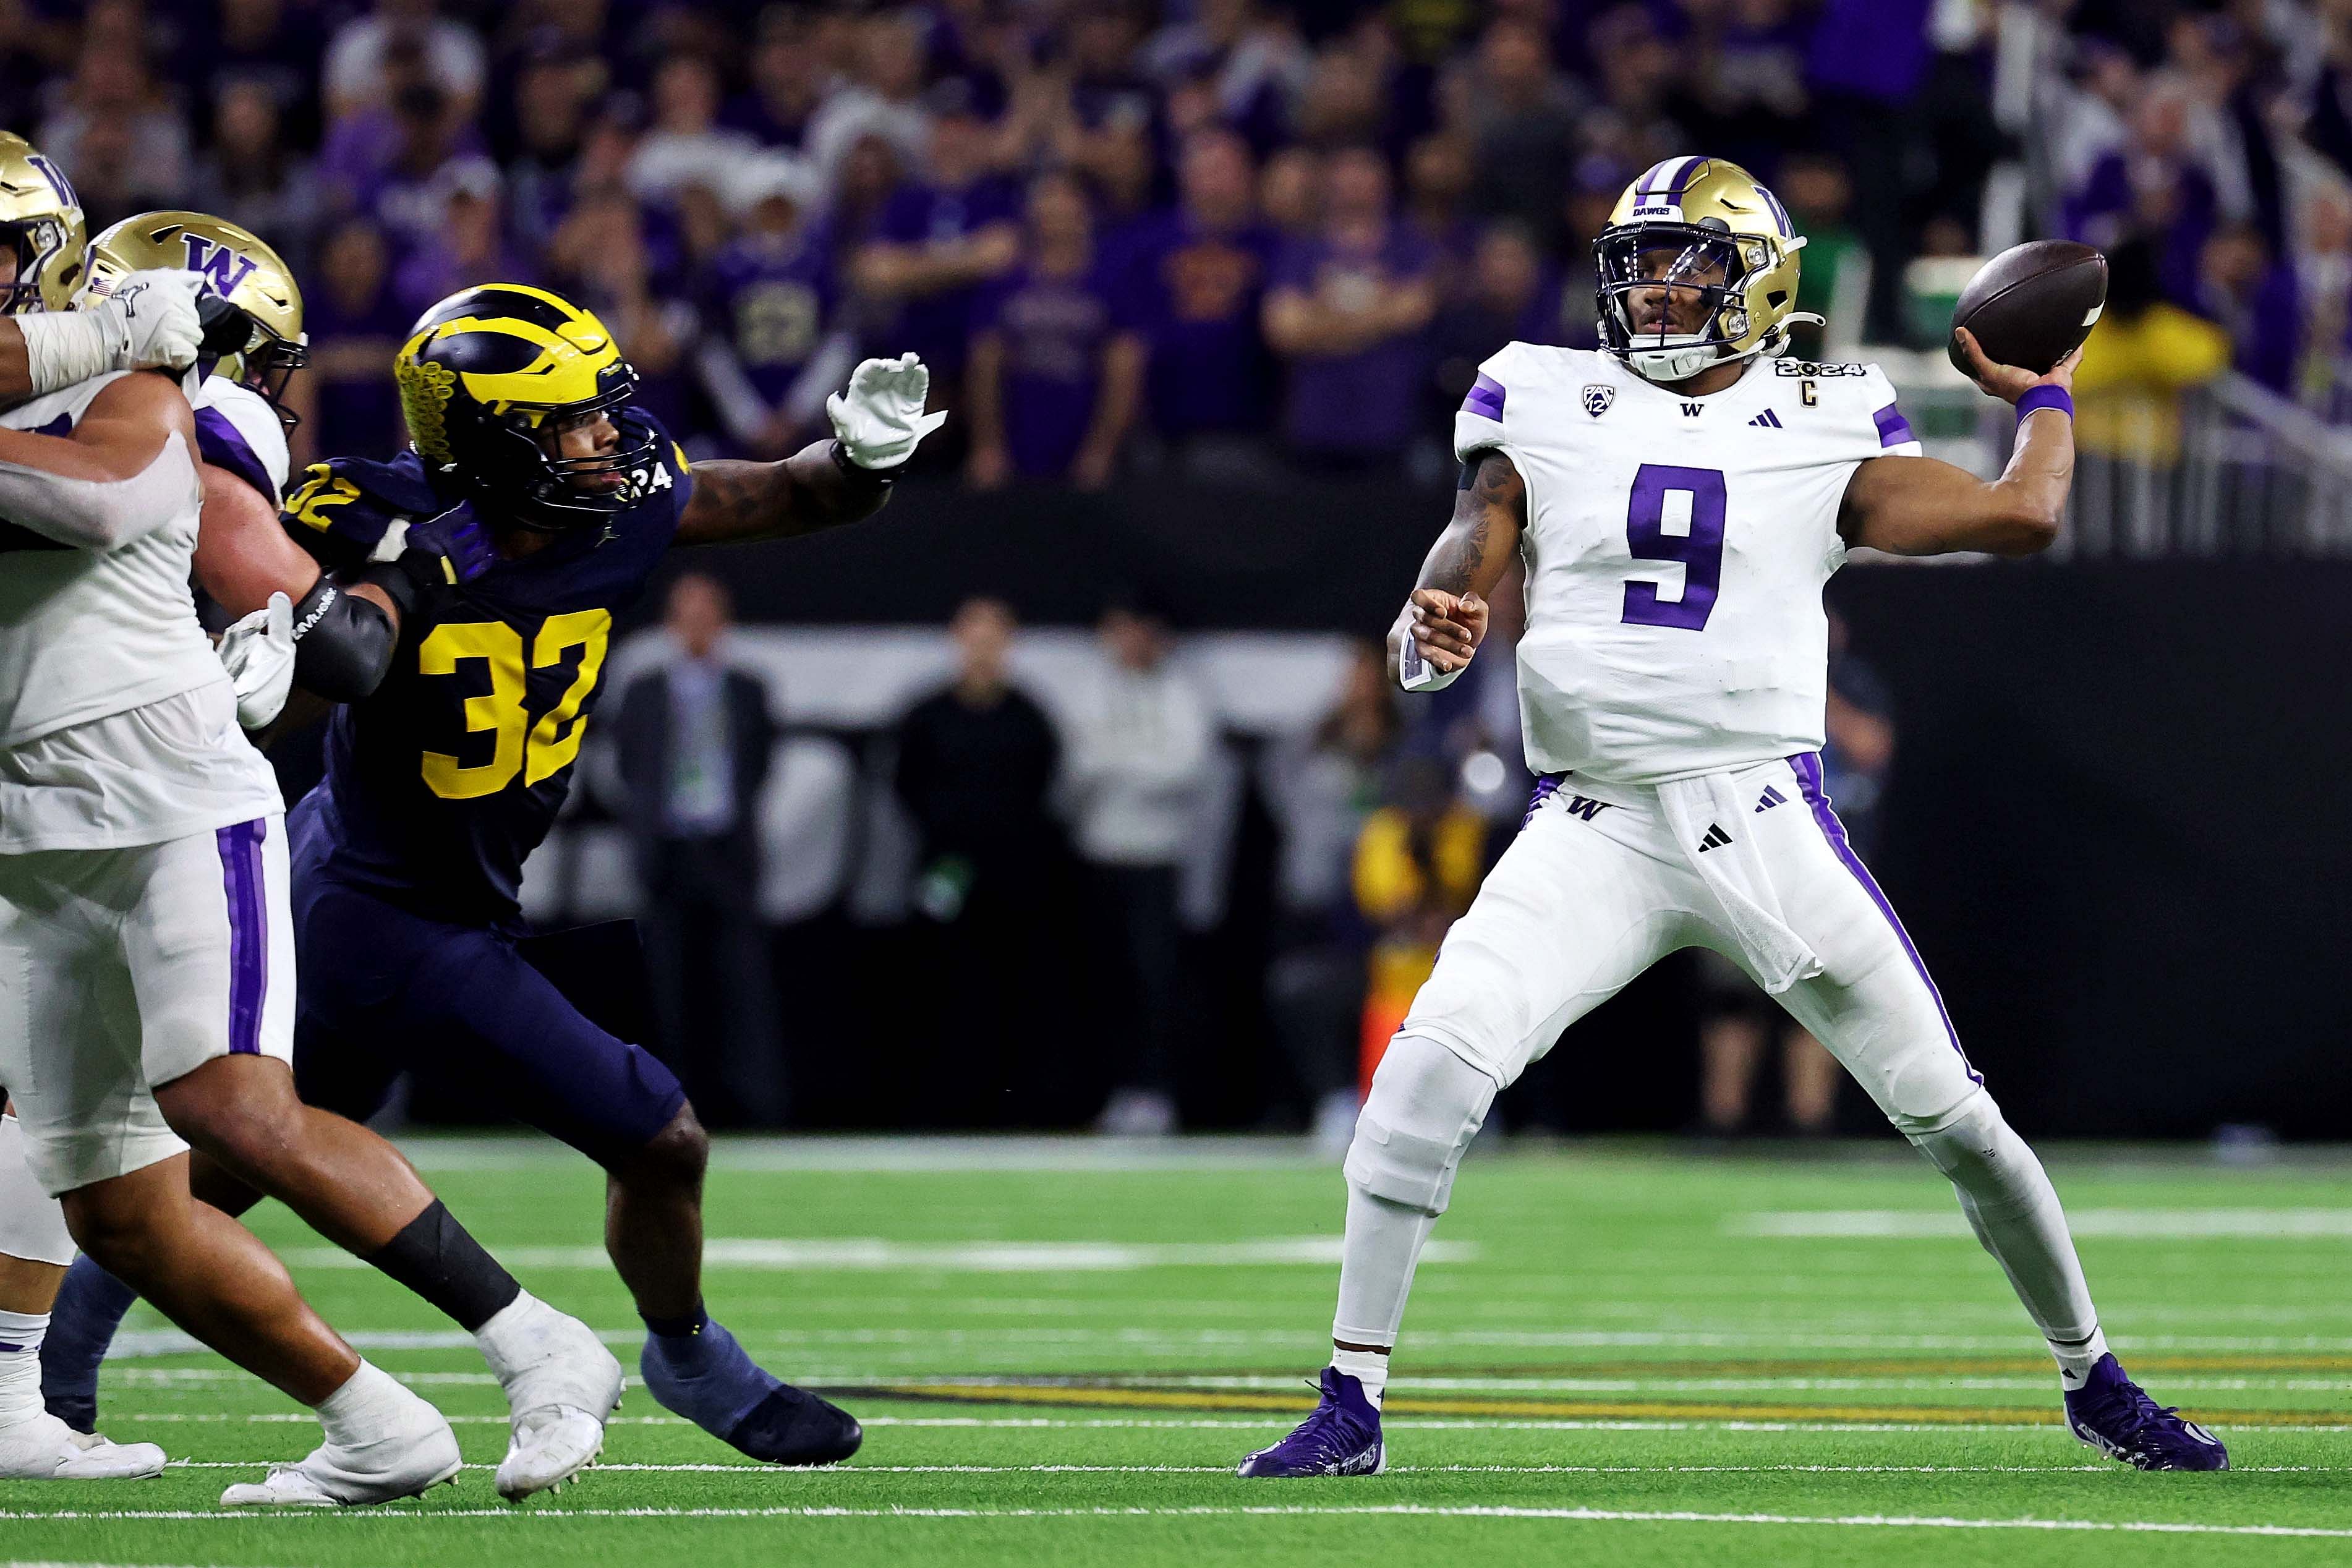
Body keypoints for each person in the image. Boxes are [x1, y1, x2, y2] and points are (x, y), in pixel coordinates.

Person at [1239, 155, 2226, 1478]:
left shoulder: (1832, 409)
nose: (1651, 287)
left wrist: (2044, 396)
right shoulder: (1545, 389)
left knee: (1958, 1118)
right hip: (1592, 820)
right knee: (1424, 1069)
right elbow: (1476, 528)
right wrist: (1438, 616)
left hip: (1767, 815)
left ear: (1758, 280)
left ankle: (2093, 1372)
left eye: (1684, 263)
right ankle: (1350, 1397)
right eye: (1636, 263)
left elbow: (2020, 514)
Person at [44, 280, 945, 1471]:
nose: (608, 441)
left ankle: (48, 1375)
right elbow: (270, 650)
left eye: (604, 414)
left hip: (391, 877)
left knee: (238, 1151)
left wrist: (860, 462)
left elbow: (773, 493)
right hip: (388, 907)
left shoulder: (616, 507)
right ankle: (681, 1352)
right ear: (488, 438)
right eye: (572, 422)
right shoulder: (366, 514)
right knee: (658, 1134)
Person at [5, 184, 621, 1504]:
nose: (279, 391)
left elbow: (238, 581)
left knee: (232, 1109)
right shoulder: (55, 387)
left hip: (162, 800)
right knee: (111, 1200)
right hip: (38, 822)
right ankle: (364, 1424)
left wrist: (380, 587)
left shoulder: (168, 401)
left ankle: (536, 1340)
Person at [1694, 615, 1896, 1137]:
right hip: (1747, 859)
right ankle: (1723, 1122)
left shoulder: (1852, 685)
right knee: (1731, 998)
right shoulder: (1748, 681)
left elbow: (1871, 748)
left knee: (1819, 996)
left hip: (1828, 862)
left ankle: (1810, 1125)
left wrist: (1816, 689)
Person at [614, 573, 785, 1127]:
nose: (697, 627)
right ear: (671, 623)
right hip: (666, 852)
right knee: (668, 988)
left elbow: (759, 764)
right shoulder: (644, 691)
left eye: (707, 615)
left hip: (728, 851)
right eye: (687, 615)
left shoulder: (747, 689)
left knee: (743, 986)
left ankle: (755, 1105)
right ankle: (669, 1107)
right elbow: (629, 767)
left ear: (723, 623)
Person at [892, 598, 1065, 1121]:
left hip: (1014, 878)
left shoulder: (1030, 718)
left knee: (1015, 988)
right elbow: (908, 787)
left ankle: (1014, 1104)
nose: (984, 650)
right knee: (943, 984)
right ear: (958, 641)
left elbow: (1042, 787)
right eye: (975, 637)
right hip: (944, 874)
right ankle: (944, 1102)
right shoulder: (927, 716)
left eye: (995, 639)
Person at [1061, 597, 1215, 1137]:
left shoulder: (1180, 693)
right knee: (1107, 980)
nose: (1128, 643)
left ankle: (1156, 1093)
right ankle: (1116, 1091)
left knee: (1155, 979)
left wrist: (1117, 762)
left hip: (1157, 860)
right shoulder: (1087, 690)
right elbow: (1077, 766)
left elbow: (1186, 768)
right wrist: (1139, 762)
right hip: (1100, 857)